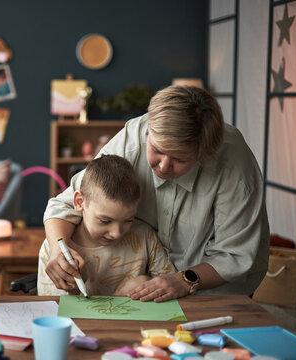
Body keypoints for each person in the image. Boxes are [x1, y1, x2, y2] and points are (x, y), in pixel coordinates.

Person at [43, 85, 269, 302]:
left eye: (180, 159)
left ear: (204, 151)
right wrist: (57, 249)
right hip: (153, 290)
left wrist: (183, 280)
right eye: (157, 150)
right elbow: (67, 204)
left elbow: (235, 255)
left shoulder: (232, 163)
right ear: (149, 131)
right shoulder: (133, 138)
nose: (163, 166)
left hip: (219, 292)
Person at [37, 155, 175, 296]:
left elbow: (171, 288)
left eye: (128, 220)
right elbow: (52, 311)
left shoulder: (145, 237)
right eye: (105, 221)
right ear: (79, 202)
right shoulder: (55, 249)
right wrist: (73, 290)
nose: (116, 233)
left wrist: (147, 284)